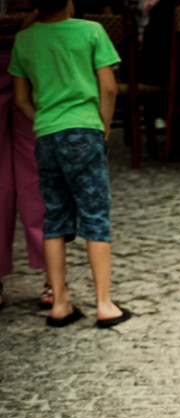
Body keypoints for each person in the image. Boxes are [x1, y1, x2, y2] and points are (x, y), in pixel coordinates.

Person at [10, 0, 130, 327]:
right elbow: (108, 86)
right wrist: (103, 126)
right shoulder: (91, 31)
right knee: (95, 214)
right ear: (69, 1)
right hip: (85, 130)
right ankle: (104, 304)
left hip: (47, 134)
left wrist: (45, 123)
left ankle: (60, 302)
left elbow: (21, 99)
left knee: (55, 216)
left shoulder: (26, 39)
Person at [0, 0, 50, 311]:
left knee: (37, 176)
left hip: (31, 60)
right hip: (28, 53)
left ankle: (53, 276)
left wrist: (31, 18)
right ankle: (53, 279)